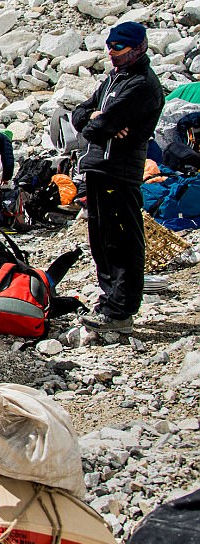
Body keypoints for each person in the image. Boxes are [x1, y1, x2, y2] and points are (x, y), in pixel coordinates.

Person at [71, 22, 163, 332]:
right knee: (101, 238)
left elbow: (96, 128)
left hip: (119, 170)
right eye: (110, 47)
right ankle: (109, 302)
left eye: (119, 48)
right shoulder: (115, 79)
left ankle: (121, 310)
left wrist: (100, 120)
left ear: (138, 48)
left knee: (121, 239)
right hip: (99, 168)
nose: (112, 53)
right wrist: (99, 118)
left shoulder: (141, 85)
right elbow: (81, 116)